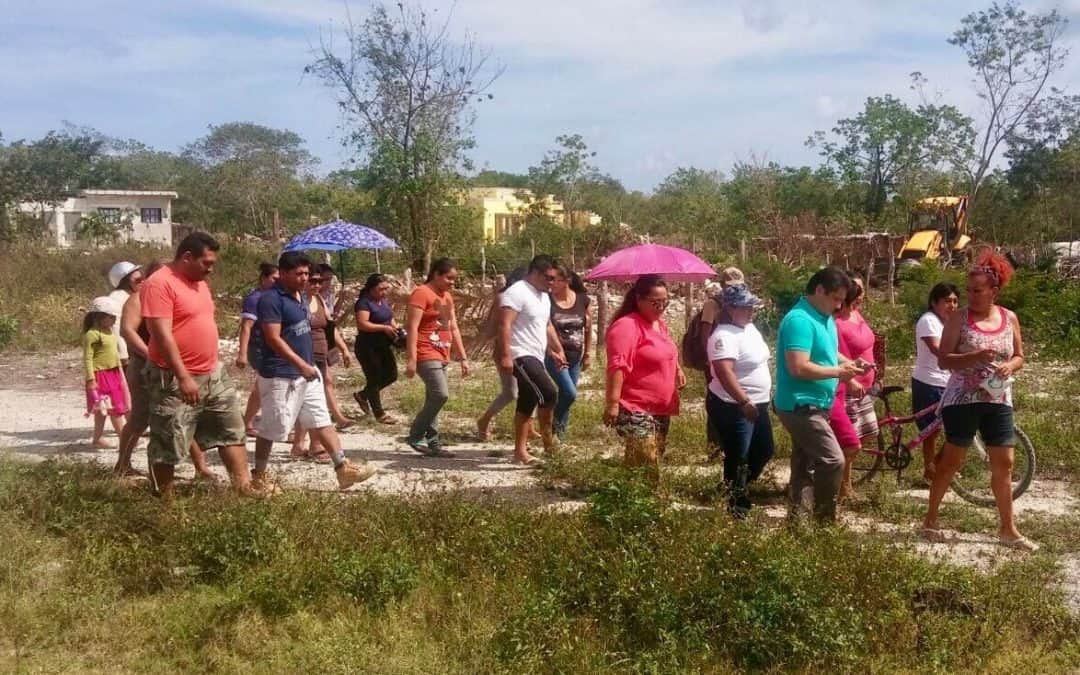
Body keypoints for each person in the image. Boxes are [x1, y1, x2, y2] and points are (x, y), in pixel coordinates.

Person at [923, 253, 1036, 552]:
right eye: (968, 290)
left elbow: (1020, 355)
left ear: (994, 291)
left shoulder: (1009, 317)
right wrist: (973, 357)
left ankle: (1008, 529)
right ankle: (930, 519)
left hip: (998, 396)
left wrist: (1011, 366)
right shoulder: (959, 319)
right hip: (962, 399)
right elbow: (944, 359)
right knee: (952, 461)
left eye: (977, 290)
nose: (970, 296)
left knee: (1005, 462)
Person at [140, 232, 255, 497]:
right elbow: (160, 333)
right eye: (207, 262)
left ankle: (244, 487)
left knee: (231, 428)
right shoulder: (160, 283)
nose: (211, 269)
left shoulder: (199, 283)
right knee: (169, 439)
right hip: (173, 377)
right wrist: (182, 376)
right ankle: (164, 499)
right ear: (187, 257)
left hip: (212, 372)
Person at [252, 251, 376, 491]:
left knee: (321, 418)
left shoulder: (300, 296)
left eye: (307, 273)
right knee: (272, 426)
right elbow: (273, 338)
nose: (304, 278)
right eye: (299, 273)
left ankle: (343, 468)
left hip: (307, 373)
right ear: (284, 273)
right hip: (280, 374)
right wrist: (300, 364)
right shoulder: (271, 299)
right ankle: (259, 474)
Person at [774, 267, 868, 524]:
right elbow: (798, 366)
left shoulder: (823, 317)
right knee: (833, 459)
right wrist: (839, 373)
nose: (839, 306)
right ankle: (824, 520)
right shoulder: (800, 321)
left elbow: (828, 352)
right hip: (800, 404)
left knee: (805, 464)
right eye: (836, 298)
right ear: (819, 290)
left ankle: (797, 523)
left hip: (817, 403)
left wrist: (851, 363)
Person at [115, 260, 217, 480]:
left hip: (177, 366)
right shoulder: (138, 298)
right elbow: (128, 331)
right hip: (146, 367)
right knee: (140, 419)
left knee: (185, 415)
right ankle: (122, 464)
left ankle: (201, 467)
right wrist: (152, 354)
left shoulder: (177, 295)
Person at [603, 275, 685, 483]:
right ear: (639, 299)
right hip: (634, 404)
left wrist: (677, 369)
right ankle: (651, 503)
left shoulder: (660, 325)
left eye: (665, 301)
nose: (662, 307)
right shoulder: (627, 326)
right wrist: (612, 403)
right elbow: (618, 366)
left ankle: (624, 496)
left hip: (659, 405)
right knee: (647, 458)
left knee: (643, 457)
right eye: (655, 302)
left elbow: (664, 350)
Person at [705, 284, 774, 517]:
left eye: (752, 307)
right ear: (731, 309)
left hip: (759, 402)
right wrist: (744, 402)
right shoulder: (722, 335)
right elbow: (725, 372)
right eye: (746, 308)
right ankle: (737, 506)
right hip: (733, 405)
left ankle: (732, 487)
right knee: (739, 456)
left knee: (764, 449)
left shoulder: (750, 329)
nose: (751, 311)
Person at [498, 255, 569, 464]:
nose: (552, 283)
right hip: (520, 353)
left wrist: (556, 350)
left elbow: (544, 326)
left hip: (536, 353)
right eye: (548, 278)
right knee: (549, 393)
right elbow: (505, 325)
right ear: (536, 273)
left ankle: (519, 452)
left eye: (554, 279)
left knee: (527, 400)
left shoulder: (544, 295)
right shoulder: (517, 292)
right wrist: (505, 356)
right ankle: (549, 444)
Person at [404, 258, 469, 457]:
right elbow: (412, 327)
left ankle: (433, 443)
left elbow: (453, 327)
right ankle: (415, 434)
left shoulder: (447, 297)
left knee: (434, 398)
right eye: (449, 278)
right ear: (436, 274)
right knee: (441, 394)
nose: (452, 282)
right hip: (425, 351)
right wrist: (412, 359)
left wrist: (463, 358)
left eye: (454, 279)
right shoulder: (421, 293)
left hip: (442, 352)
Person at [834, 278, 879, 500]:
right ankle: (843, 486)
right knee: (851, 441)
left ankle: (843, 480)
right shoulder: (836, 322)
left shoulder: (856, 313)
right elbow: (834, 354)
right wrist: (850, 380)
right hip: (849, 386)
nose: (862, 294)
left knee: (867, 434)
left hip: (865, 385)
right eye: (858, 290)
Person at [911, 282, 960, 483]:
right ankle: (929, 472)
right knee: (931, 431)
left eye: (955, 301)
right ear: (934, 302)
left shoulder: (947, 322)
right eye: (947, 301)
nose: (952, 305)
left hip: (947, 381)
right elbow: (938, 350)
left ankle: (937, 467)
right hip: (929, 382)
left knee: (953, 427)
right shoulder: (928, 321)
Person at [476, 267, 528, 441]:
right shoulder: (503, 299)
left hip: (527, 350)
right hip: (506, 351)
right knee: (510, 392)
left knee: (531, 389)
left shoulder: (531, 298)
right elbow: (492, 329)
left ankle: (529, 427)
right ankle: (484, 420)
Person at [698, 266, 745, 458]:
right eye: (730, 285)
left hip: (735, 358)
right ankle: (715, 447)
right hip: (716, 359)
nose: (733, 289)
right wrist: (712, 360)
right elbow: (705, 334)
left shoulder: (742, 303)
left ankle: (731, 444)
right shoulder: (713, 304)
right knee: (716, 399)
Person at [546, 264, 592, 440]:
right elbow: (542, 328)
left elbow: (588, 328)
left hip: (575, 356)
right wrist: (552, 350)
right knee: (569, 393)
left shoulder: (582, 300)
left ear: (567, 281)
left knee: (568, 397)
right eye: (551, 280)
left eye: (557, 280)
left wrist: (587, 353)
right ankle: (551, 429)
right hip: (555, 356)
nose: (553, 284)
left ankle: (559, 436)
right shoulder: (547, 301)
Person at [236, 262, 279, 434]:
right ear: (264, 278)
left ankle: (249, 422)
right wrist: (242, 353)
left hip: (271, 346)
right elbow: (246, 326)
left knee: (264, 385)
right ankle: (251, 422)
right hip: (259, 347)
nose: (277, 282)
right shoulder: (255, 299)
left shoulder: (275, 297)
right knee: (266, 384)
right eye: (274, 279)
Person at [352, 273, 400, 425]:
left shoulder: (383, 301)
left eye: (386, 289)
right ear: (371, 289)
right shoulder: (364, 303)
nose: (384, 292)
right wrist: (383, 328)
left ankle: (363, 395)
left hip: (384, 345)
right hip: (368, 346)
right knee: (374, 378)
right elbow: (362, 324)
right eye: (381, 289)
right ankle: (379, 413)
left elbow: (389, 317)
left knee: (391, 374)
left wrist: (394, 326)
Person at [82, 296, 129, 449]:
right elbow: (88, 357)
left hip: (113, 373)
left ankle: (97, 440)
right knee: (113, 408)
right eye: (111, 317)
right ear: (100, 317)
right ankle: (125, 439)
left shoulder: (109, 332)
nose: (114, 320)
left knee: (103, 410)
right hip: (100, 376)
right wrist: (90, 379)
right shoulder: (92, 334)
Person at [107, 261, 143, 366]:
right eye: (138, 280)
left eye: (142, 278)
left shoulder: (133, 295)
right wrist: (123, 355)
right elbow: (115, 328)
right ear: (126, 282)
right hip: (127, 355)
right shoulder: (116, 298)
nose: (142, 282)